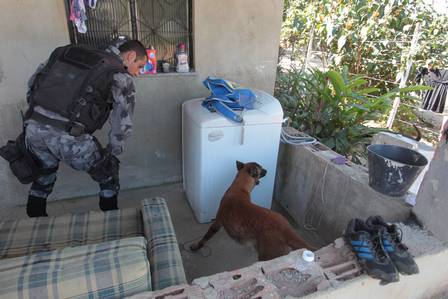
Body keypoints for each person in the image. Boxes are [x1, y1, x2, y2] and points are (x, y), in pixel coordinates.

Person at [23, 40, 148, 217]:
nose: (137, 73)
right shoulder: (120, 75)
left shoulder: (67, 53)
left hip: (33, 128)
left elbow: (33, 84)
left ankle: (36, 227)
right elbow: (122, 123)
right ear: (131, 56)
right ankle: (112, 221)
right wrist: (111, 153)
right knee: (108, 177)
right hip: (68, 136)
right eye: (139, 66)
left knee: (43, 178)